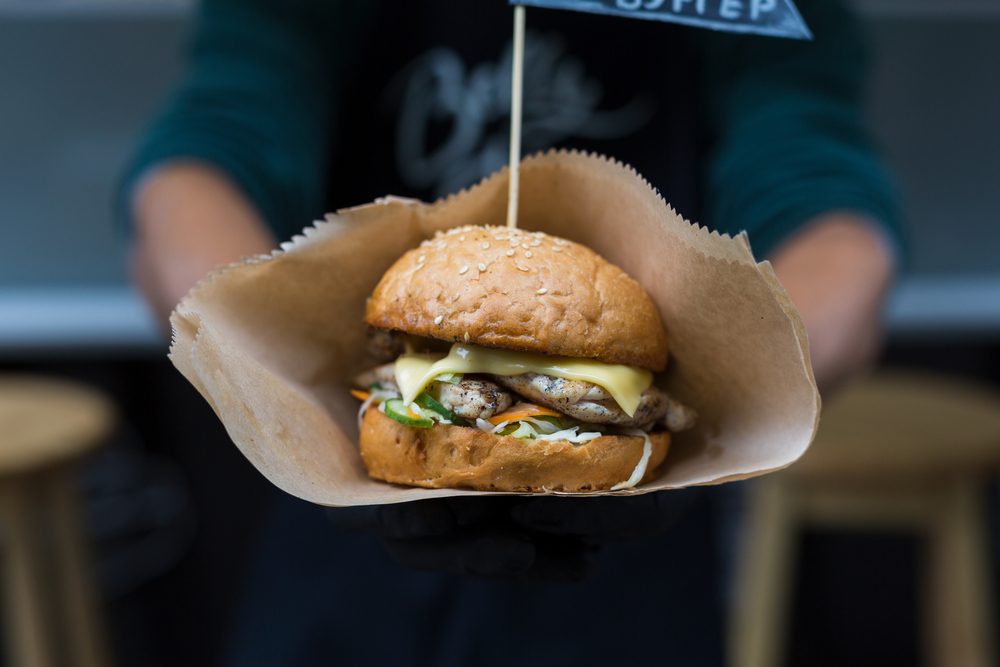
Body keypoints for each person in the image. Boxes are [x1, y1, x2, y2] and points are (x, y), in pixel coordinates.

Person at [121, 1, 902, 664]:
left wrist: (727, 414)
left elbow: (823, 205)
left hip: (632, 583)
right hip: (333, 552)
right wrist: (280, 393)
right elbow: (213, 148)